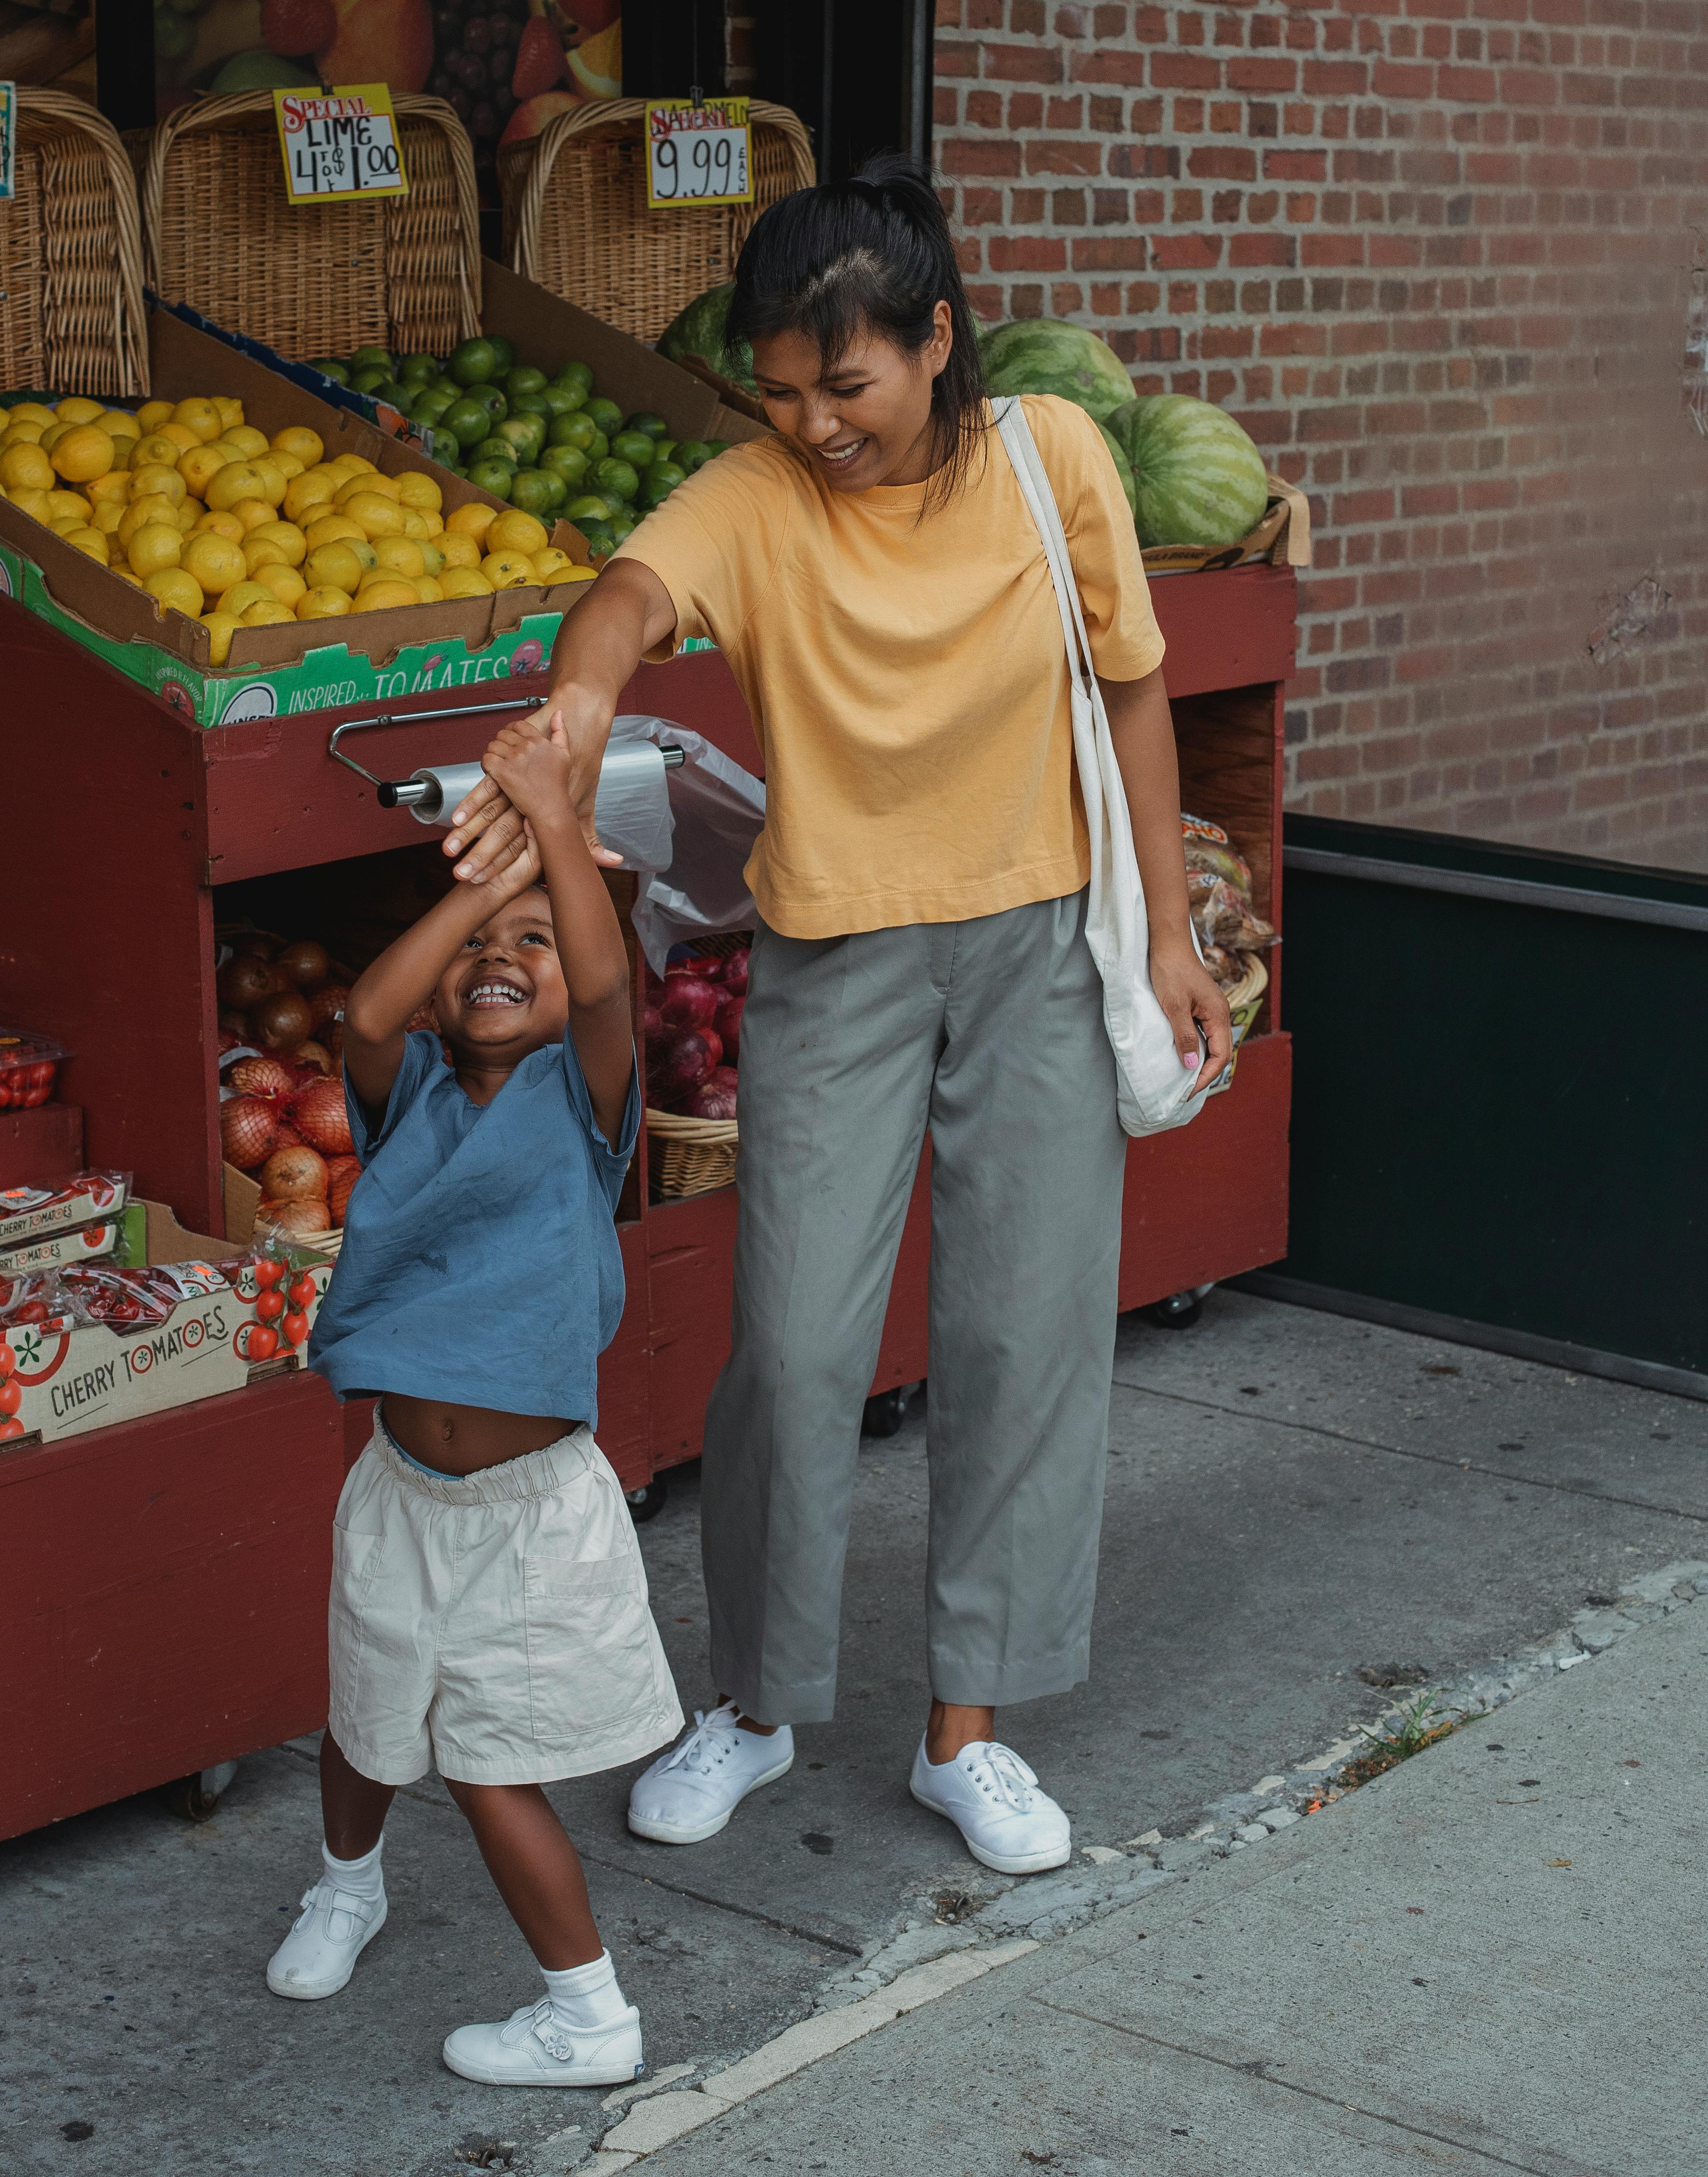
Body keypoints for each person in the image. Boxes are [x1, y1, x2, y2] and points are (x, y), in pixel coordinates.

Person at [444, 157, 1228, 1878]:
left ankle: (972, 1730)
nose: (815, 424)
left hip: (1034, 946)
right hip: (834, 963)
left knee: (1027, 1338)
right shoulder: (754, 496)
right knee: (796, 1350)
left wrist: (1165, 929)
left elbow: (1139, 689)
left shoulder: (1058, 462)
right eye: (783, 391)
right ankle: (759, 1702)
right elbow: (633, 598)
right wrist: (581, 703)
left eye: (847, 385)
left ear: (937, 342)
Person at [272, 710, 682, 2086]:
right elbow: (368, 1013)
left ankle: (589, 2017)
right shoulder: (413, 1102)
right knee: (365, 1713)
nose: (502, 964)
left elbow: (614, 987)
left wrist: (551, 828)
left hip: (531, 1509)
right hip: (401, 1487)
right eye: (478, 958)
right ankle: (348, 1882)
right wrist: (480, 885)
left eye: (534, 949)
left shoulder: (585, 1105)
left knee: (488, 1761)